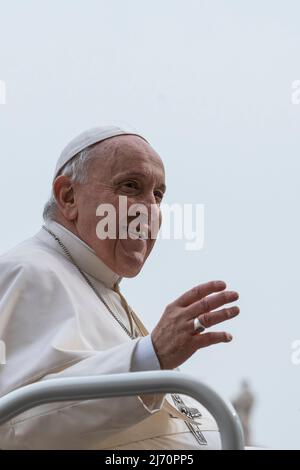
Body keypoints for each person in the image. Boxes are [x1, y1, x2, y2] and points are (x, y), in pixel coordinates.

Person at [0, 125, 240, 449]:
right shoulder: (29, 271)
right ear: (69, 196)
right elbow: (15, 425)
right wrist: (150, 356)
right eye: (131, 186)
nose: (149, 210)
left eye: (158, 195)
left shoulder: (99, 284)